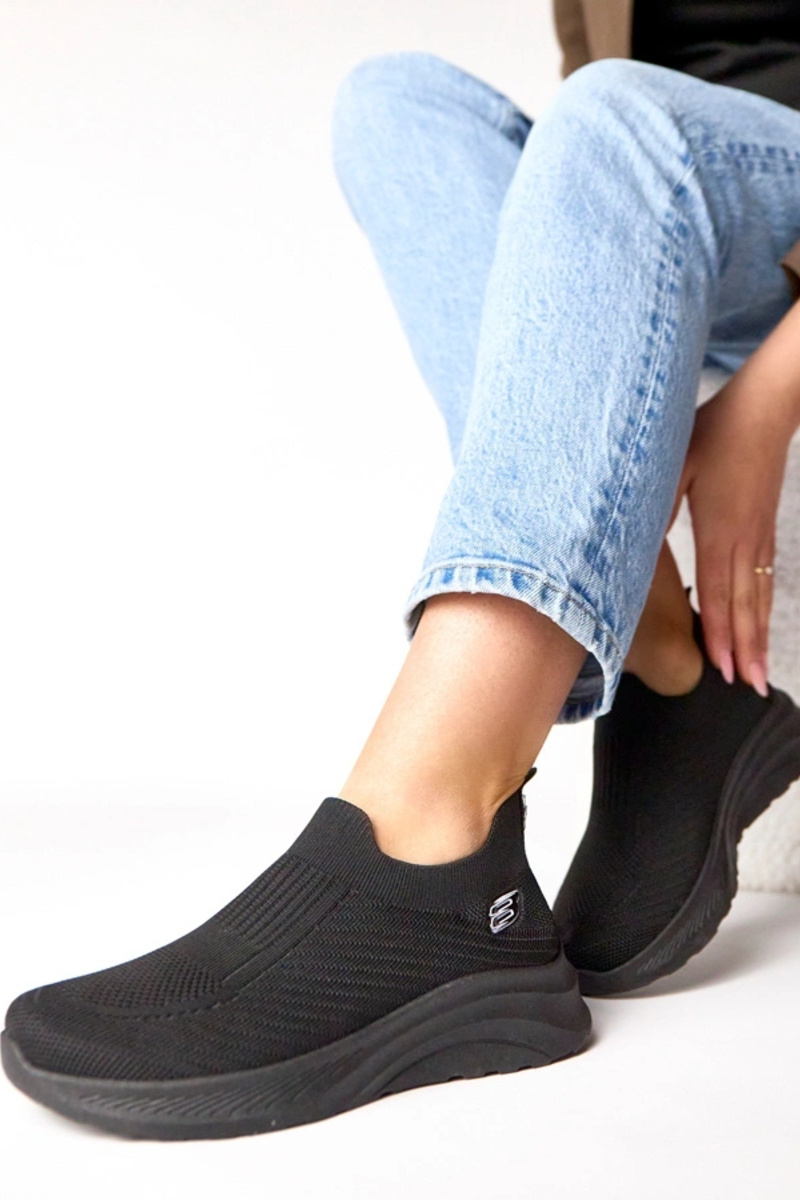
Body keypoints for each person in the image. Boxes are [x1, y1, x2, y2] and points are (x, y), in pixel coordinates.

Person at [3, 0, 800, 1140]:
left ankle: (429, 834)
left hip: (751, 202)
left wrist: (767, 399)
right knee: (395, 105)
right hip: (684, 201)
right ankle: (665, 655)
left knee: (615, 115)